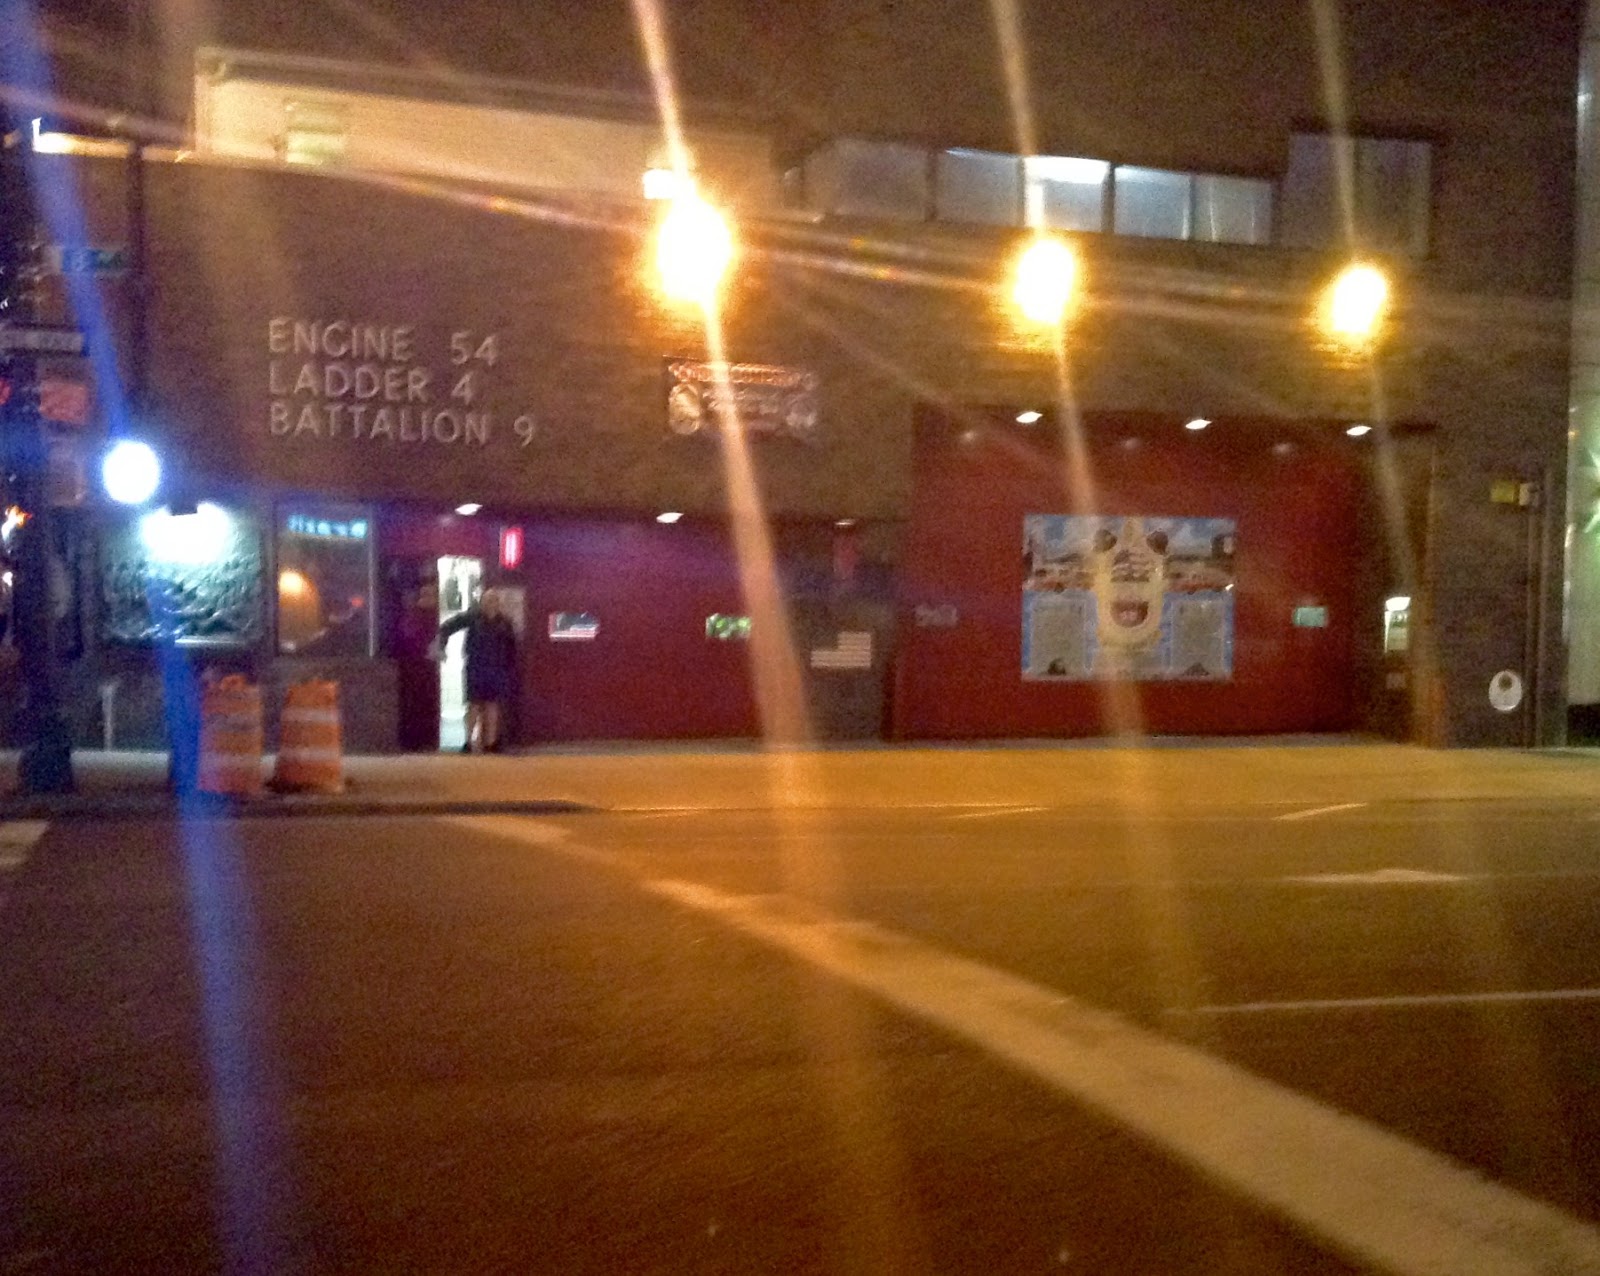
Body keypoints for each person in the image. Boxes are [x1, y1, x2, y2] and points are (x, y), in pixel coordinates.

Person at [436, 588, 519, 753]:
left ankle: (491, 743)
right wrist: (441, 646)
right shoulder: (472, 617)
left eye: (494, 600)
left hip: (497, 668)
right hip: (475, 667)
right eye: (488, 600)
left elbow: (511, 648)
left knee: (492, 706)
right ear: (482, 602)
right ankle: (467, 742)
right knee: (473, 704)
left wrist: (509, 669)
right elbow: (447, 626)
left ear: (499, 603)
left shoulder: (505, 623)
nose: (491, 604)